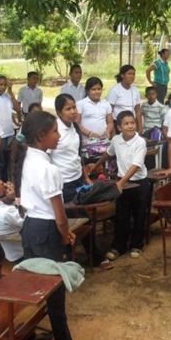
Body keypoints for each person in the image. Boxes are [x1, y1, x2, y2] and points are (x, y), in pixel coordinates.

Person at [11, 111, 99, 340]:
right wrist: (65, 234)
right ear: (41, 136)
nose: (59, 136)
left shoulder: (26, 156)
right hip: (46, 231)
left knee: (39, 287)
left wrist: (62, 230)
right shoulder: (47, 168)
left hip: (31, 228)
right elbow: (60, 217)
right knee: (55, 298)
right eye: (54, 132)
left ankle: (27, 334)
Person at [51, 94, 112, 270]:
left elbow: (78, 155)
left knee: (81, 220)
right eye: (67, 109)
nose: (72, 112)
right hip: (62, 184)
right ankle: (85, 259)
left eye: (74, 108)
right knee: (77, 221)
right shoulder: (54, 130)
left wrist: (86, 177)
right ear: (59, 112)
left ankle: (77, 258)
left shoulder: (75, 128)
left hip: (77, 179)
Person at [90, 111, 149, 261]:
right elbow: (108, 154)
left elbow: (136, 165)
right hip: (123, 183)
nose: (130, 126)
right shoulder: (116, 140)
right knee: (122, 215)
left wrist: (121, 183)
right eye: (126, 123)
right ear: (119, 127)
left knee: (139, 215)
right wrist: (96, 165)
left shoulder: (140, 142)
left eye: (132, 123)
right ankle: (118, 246)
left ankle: (137, 245)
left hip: (138, 183)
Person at [0, 75, 19, 182]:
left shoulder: (7, 97)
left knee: (10, 161)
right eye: (1, 84)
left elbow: (17, 108)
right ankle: (1, 182)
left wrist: (11, 92)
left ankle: (8, 181)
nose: (3, 87)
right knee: (0, 163)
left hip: (10, 133)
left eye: (5, 85)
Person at [107, 65, 142, 134]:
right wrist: (113, 130)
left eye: (133, 74)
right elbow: (109, 111)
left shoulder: (136, 90)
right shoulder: (115, 90)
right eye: (129, 74)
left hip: (131, 123)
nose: (132, 76)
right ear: (122, 75)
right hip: (118, 124)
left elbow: (138, 111)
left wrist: (140, 127)